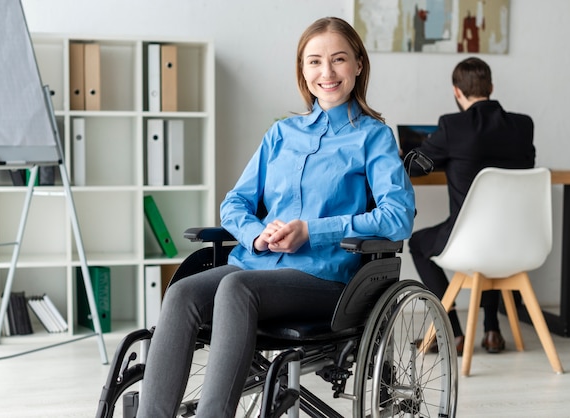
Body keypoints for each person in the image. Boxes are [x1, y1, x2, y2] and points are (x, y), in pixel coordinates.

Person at [136, 16, 415, 417]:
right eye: (314, 61)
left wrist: (312, 231)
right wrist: (255, 234)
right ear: (303, 70)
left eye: (338, 60)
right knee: (182, 292)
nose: (327, 72)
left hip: (325, 278)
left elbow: (398, 216)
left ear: (358, 65)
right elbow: (234, 203)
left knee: (236, 288)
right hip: (259, 264)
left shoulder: (373, 137)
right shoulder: (282, 134)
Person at [408, 57, 535, 355]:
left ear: (457, 92)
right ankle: (492, 330)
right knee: (491, 236)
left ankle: (452, 333)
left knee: (418, 242)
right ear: (491, 87)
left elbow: (416, 165)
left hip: (472, 241)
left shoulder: (453, 126)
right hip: (516, 240)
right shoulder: (523, 125)